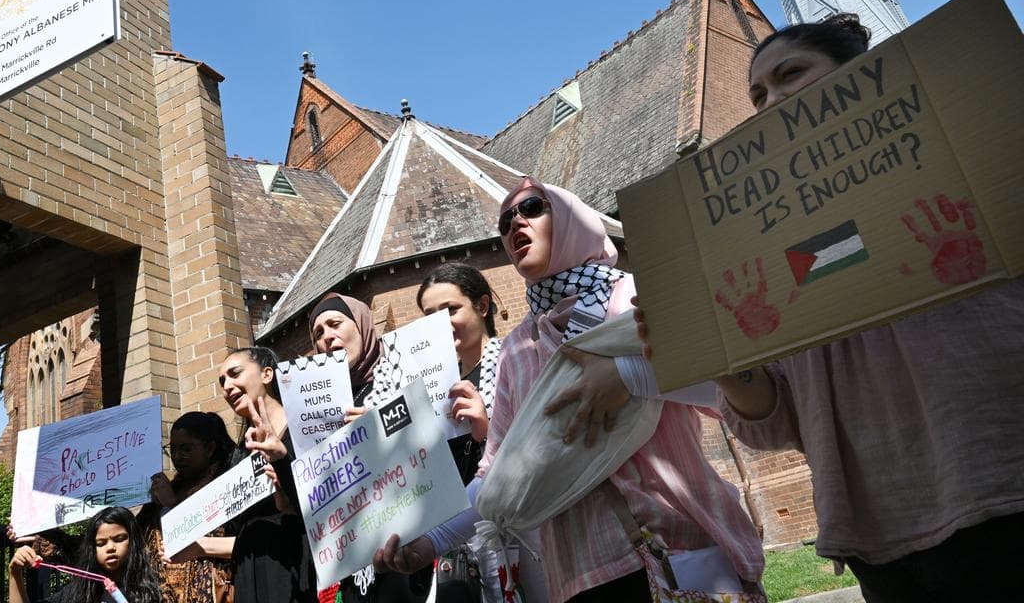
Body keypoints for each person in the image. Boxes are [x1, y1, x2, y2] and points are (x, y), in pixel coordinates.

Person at [702, 12, 1024, 600]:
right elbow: (779, 423)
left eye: (790, 73)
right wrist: (725, 355)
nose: (771, 100)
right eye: (757, 95)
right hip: (884, 537)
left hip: (1004, 482)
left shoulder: (969, 159)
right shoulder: (769, 253)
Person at [378, 178, 765, 603]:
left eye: (531, 208)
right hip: (579, 577)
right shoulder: (517, 349)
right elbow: (498, 474)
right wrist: (430, 542)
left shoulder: (633, 296)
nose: (514, 224)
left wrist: (630, 377)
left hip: (677, 549)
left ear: (571, 219)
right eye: (505, 221)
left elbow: (729, 385)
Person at [308, 293, 434, 603]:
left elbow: (434, 437)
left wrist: (377, 426)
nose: (326, 337)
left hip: (411, 551)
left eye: (335, 324)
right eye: (318, 333)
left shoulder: (402, 371)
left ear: (363, 325)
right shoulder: (327, 405)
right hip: (356, 562)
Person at [211, 346, 318, 603]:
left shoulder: (305, 431)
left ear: (267, 374)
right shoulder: (239, 457)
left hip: (298, 572)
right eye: (222, 381)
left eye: (235, 374)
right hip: (253, 577)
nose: (227, 386)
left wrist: (286, 490)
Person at [416, 262, 502, 484]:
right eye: (430, 316)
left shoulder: (513, 360)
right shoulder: (438, 385)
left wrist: (486, 430)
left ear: (482, 306)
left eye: (451, 309)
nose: (440, 323)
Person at [140, 412, 239, 603]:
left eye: (186, 449)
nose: (177, 457)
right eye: (173, 449)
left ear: (210, 448)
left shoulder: (227, 485)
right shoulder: (173, 487)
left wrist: (173, 506)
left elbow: (225, 537)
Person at [9, 506, 162, 603]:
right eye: (101, 543)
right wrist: (15, 572)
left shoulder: (153, 590)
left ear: (133, 541)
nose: (110, 548)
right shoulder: (79, 592)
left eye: (119, 539)